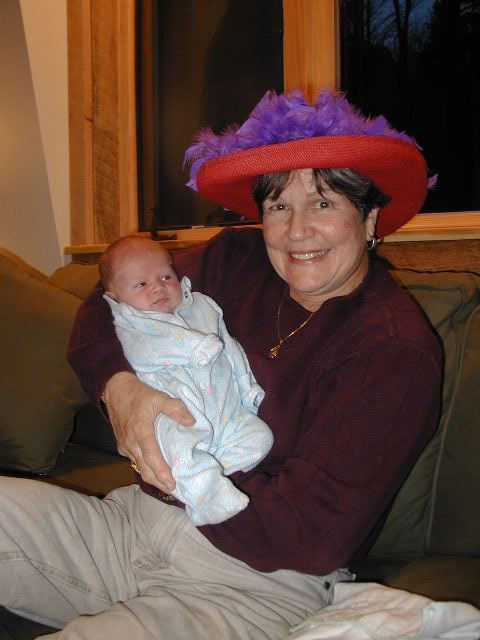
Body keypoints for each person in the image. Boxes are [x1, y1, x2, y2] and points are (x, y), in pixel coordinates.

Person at [0, 89, 442, 639]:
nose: (297, 230)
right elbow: (106, 300)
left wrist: (185, 481)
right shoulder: (236, 259)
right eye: (279, 206)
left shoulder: (393, 352)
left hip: (253, 580)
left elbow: (311, 534)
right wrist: (120, 389)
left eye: (324, 203)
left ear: (370, 218)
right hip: (130, 527)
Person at [99, 236, 273, 525]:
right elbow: (143, 352)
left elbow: (229, 346)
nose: (158, 287)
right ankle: (205, 496)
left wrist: (247, 385)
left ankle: (212, 476)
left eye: (166, 277)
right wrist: (197, 348)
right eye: (141, 284)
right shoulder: (132, 322)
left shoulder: (201, 306)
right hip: (177, 406)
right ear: (115, 297)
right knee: (177, 448)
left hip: (225, 411)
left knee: (261, 437)